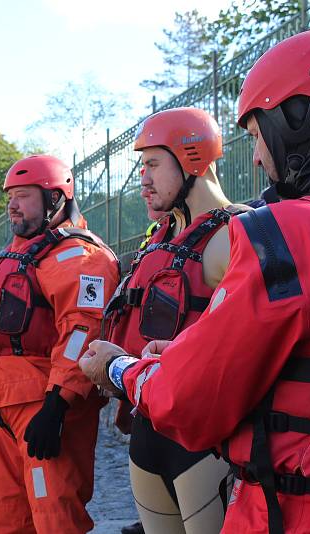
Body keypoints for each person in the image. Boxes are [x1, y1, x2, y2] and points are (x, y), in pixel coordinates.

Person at [80, 29, 310, 533]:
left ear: (296, 120)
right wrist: (182, 352)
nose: (254, 157)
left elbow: (192, 400)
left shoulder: (289, 232)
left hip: (300, 511)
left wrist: (122, 370)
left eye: (255, 135)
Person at [102, 107, 241, 534]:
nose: (143, 178)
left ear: (192, 159)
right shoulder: (160, 237)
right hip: (147, 433)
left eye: (153, 164)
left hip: (202, 445)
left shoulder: (235, 235)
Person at [0, 154, 120, 533]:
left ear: (55, 200)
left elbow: (81, 334)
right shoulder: (19, 254)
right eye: (10, 197)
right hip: (2, 404)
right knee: (7, 514)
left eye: (24, 196)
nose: (12, 206)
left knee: (55, 515)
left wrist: (56, 407)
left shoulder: (83, 259)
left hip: (47, 407)